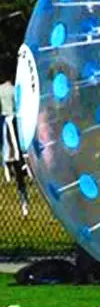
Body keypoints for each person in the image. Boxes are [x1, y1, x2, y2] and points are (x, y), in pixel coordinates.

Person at [0, 63, 30, 217]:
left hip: (6, 121)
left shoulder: (2, 90)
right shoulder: (13, 90)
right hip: (13, 121)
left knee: (8, 152)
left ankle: (8, 171)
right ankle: (20, 169)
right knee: (16, 154)